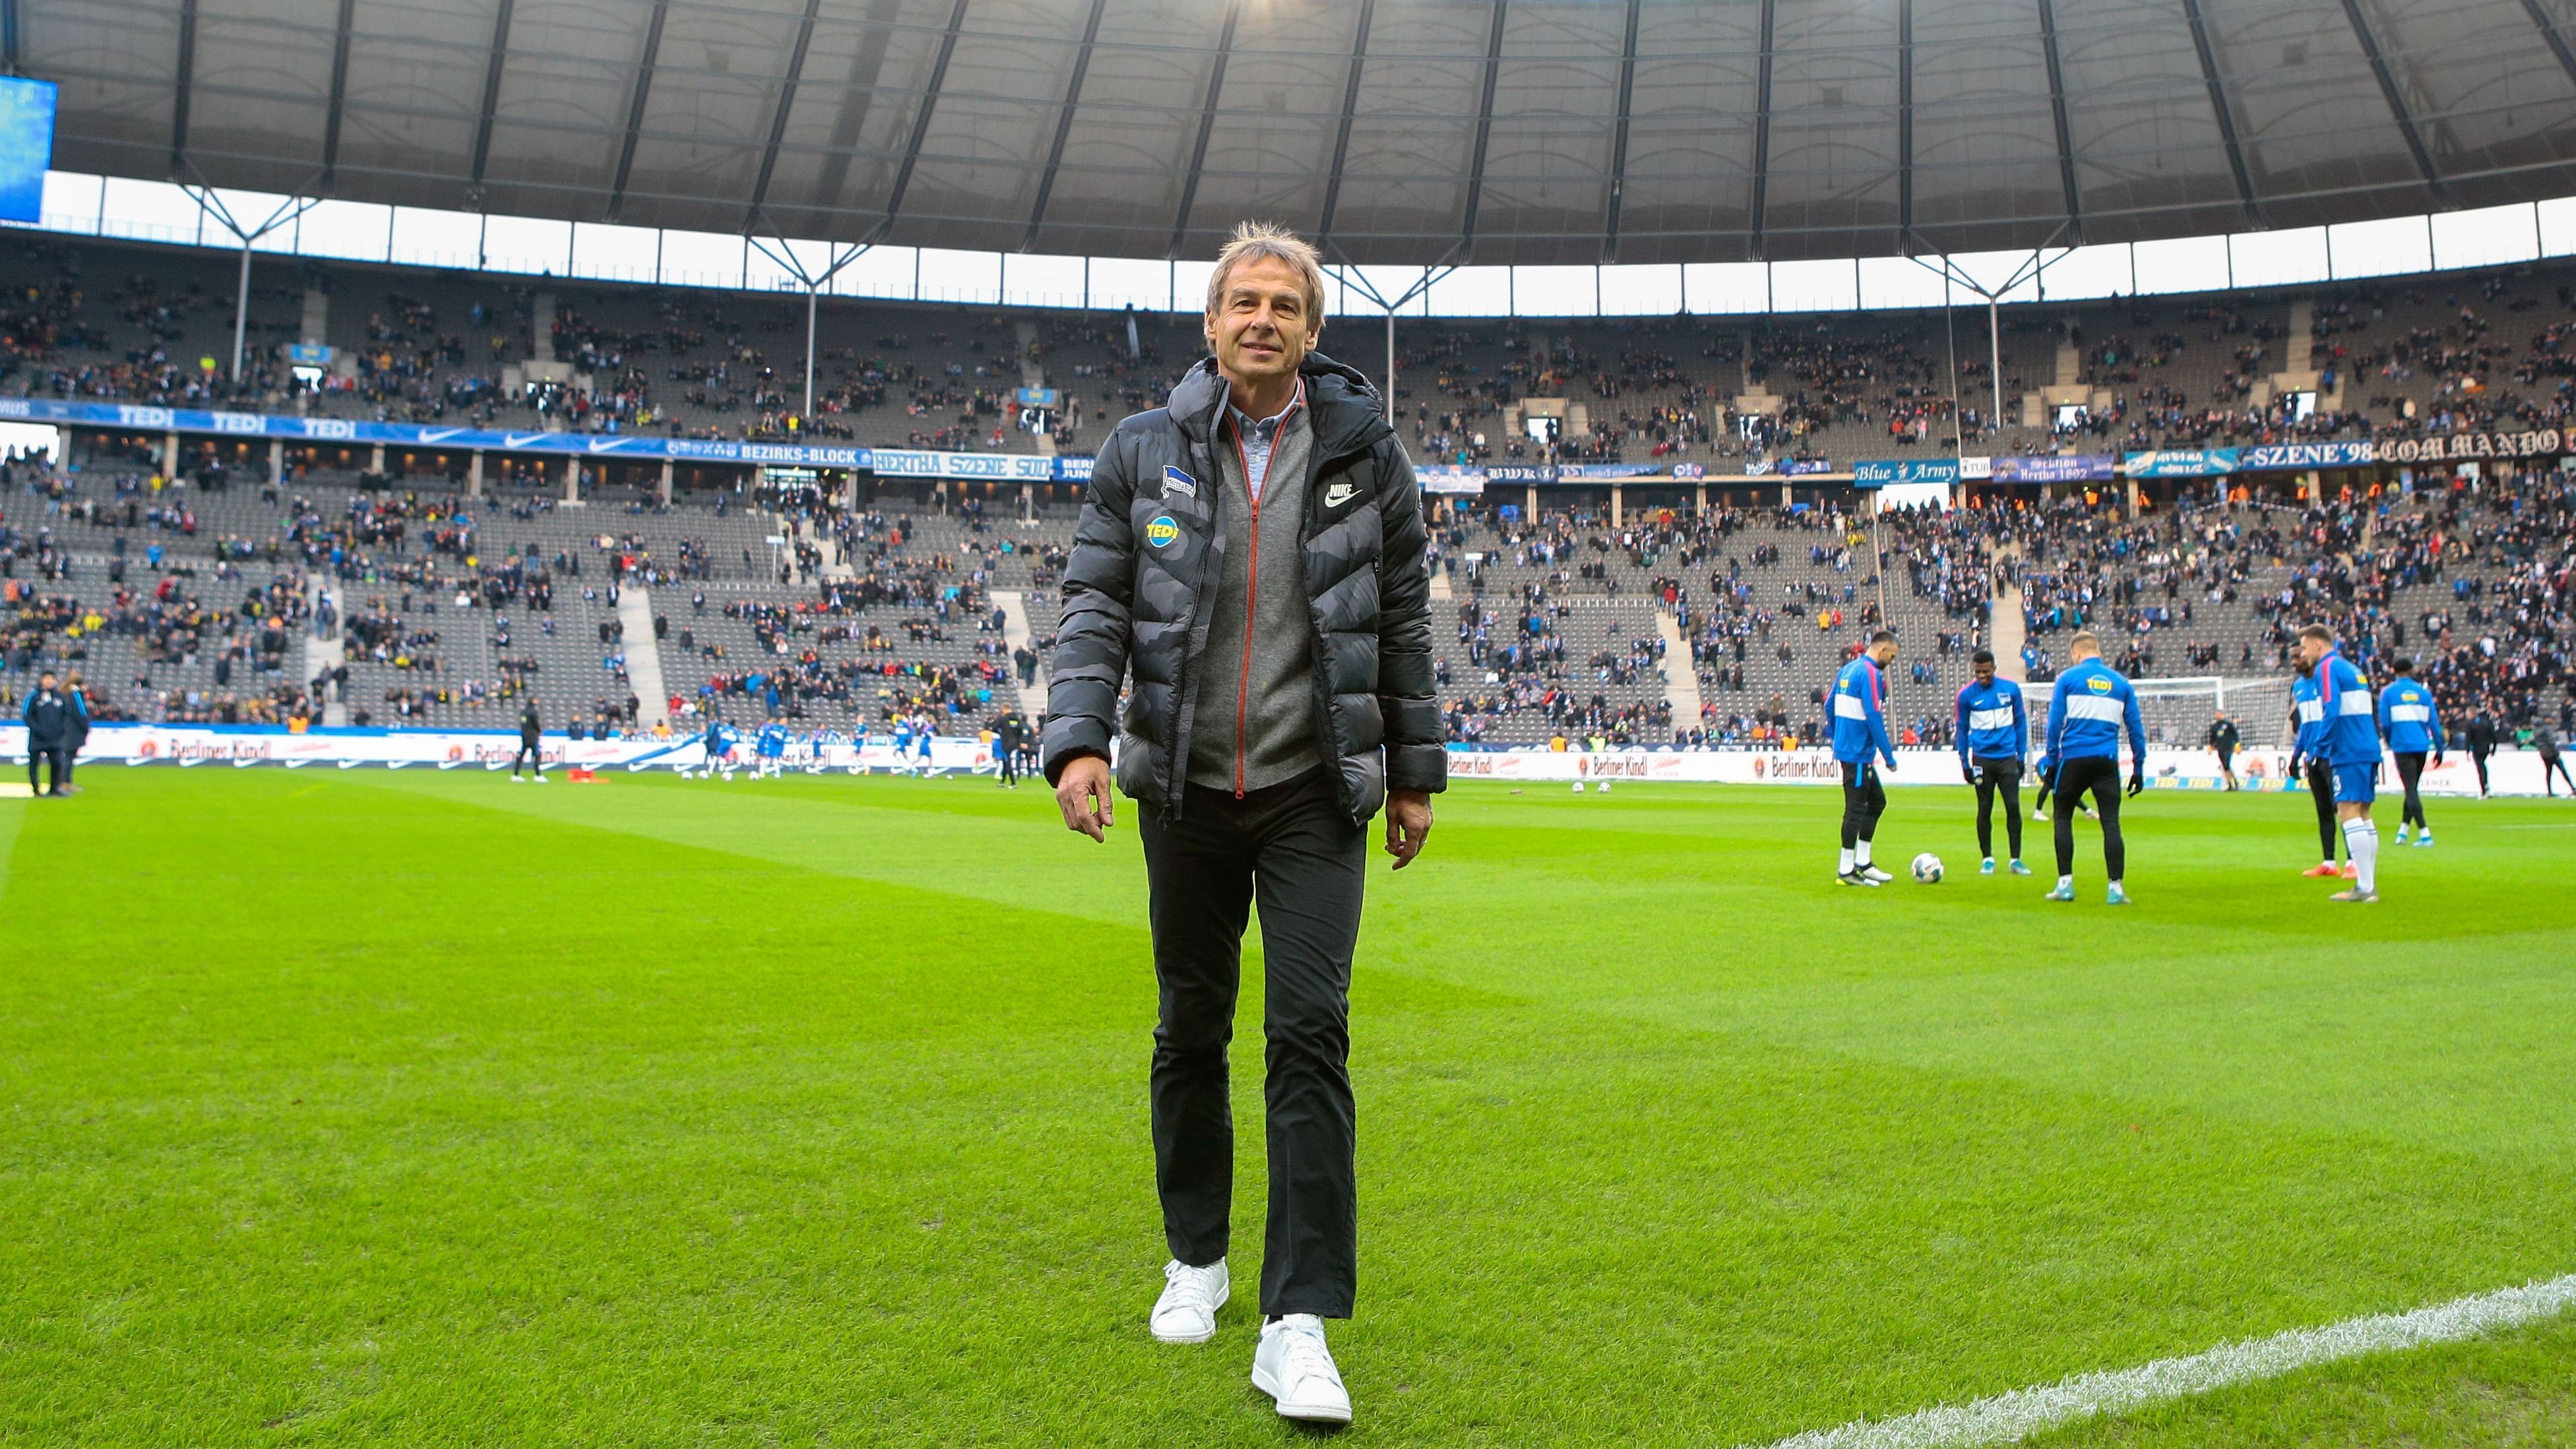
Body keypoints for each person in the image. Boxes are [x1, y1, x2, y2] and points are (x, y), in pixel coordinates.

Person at [1043, 220, 1440, 1427]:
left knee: (1311, 1031)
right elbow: (1094, 601)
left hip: (1316, 791)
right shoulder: (1141, 450)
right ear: (1210, 325)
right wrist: (1076, 739)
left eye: (1285, 304)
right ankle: (1198, 1256)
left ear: (1313, 332)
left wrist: (1414, 771)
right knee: (1191, 1025)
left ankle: (1298, 1319)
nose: (1262, 318)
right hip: (1183, 788)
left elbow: (1407, 620)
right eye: (1243, 302)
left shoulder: (1370, 456)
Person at [2037, 631, 2146, 904]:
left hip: (2074, 757)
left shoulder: (2068, 679)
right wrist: (2138, 768)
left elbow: (2054, 724)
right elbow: (2135, 729)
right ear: (2098, 651)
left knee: (2062, 816)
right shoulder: (2121, 684)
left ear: (2076, 653)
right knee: (2111, 822)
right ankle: (2116, 889)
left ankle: (2065, 885)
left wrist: (2051, 761)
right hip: (2106, 760)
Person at [2296, 623, 2383, 903]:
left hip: (2349, 749)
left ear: (2318, 645)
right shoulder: (2353, 669)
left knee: (2347, 810)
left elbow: (2330, 710)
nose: (2304, 653)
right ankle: (2367, 885)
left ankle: (2365, 887)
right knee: (2364, 812)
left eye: (2306, 646)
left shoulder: (2327, 667)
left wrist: (2319, 749)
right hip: (2368, 745)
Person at [1830, 631, 1899, 885]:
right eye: (1892, 656)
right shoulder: (1870, 673)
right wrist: (1888, 755)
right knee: (1856, 809)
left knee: (1877, 802)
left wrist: (1839, 736)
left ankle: (1863, 862)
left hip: (1849, 748)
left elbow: (1829, 706)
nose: (1891, 661)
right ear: (1882, 650)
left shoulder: (1848, 669)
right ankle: (1846, 870)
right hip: (1858, 752)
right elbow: (1873, 715)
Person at [1953, 648, 2030, 875]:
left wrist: (2021, 755)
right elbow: (1961, 729)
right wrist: (1964, 762)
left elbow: (2021, 723)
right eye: (1977, 672)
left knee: (2013, 807)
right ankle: (1987, 858)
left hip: (2007, 758)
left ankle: (2015, 859)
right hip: (1982, 759)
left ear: (1994, 669)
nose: (1981, 676)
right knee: (1984, 808)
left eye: (1985, 671)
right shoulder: (1966, 695)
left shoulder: (2011, 690)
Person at [2286, 649, 2347, 879]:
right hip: (2313, 756)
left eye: (2298, 657)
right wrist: (2296, 756)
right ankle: (2329, 862)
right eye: (2292, 659)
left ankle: (2353, 862)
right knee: (2323, 811)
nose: (2295, 663)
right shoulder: (2299, 686)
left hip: (2332, 754)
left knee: (2342, 809)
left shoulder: (2328, 681)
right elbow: (2306, 726)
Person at [2375, 659, 2443, 846]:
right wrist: (2440, 747)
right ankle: (2403, 832)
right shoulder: (2423, 693)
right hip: (2421, 746)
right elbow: (2434, 723)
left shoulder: (2388, 693)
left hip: (2402, 745)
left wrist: (2390, 740)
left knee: (2411, 789)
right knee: (2411, 787)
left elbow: (2385, 723)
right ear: (2411, 671)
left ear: (2393, 671)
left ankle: (2425, 833)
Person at [20, 670, 73, 797]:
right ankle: (36, 790)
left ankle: (54, 789)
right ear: (42, 680)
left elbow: (67, 715)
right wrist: (37, 729)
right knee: (34, 765)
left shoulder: (60, 697)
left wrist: (61, 730)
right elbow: (27, 715)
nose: (49, 681)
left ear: (55, 681)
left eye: (52, 679)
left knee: (57, 764)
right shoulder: (33, 696)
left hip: (55, 738)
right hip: (37, 738)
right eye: (47, 678)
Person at [59, 669, 91, 794]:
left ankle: (64, 782)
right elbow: (81, 712)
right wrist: (86, 727)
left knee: (67, 757)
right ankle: (66, 783)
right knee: (70, 757)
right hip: (74, 731)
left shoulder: (64, 693)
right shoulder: (76, 694)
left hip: (65, 729)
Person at [509, 700, 548, 782]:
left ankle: (516, 774)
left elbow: (523, 724)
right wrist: (539, 731)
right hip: (533, 736)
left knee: (522, 755)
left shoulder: (523, 713)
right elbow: (536, 724)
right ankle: (538, 775)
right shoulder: (534, 713)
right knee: (537, 755)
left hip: (525, 736)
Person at [2206, 709, 2241, 791]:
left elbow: (2235, 735)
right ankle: (2232, 784)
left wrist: (2237, 745)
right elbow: (2213, 738)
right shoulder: (2214, 726)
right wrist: (2211, 746)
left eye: (2218, 714)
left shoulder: (2228, 724)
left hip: (2228, 747)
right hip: (2220, 748)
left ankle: (2234, 783)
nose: (2216, 716)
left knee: (2226, 765)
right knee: (2225, 767)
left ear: (2222, 715)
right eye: (2216, 714)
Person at [2465, 710, 2497, 797]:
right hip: (2486, 748)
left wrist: (2467, 751)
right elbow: (2494, 737)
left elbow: (2468, 739)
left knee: (2480, 767)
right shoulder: (2487, 723)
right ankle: (2486, 786)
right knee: (2482, 765)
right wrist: (2493, 749)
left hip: (2477, 748)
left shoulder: (2470, 724)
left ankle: (2484, 789)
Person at [2539, 726, 2575, 797]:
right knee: (2563, 771)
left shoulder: (2537, 733)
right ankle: (2573, 788)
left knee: (2549, 773)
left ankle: (2549, 791)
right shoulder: (2546, 731)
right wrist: (2556, 753)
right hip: (2553, 755)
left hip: (2544, 754)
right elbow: (2552, 741)